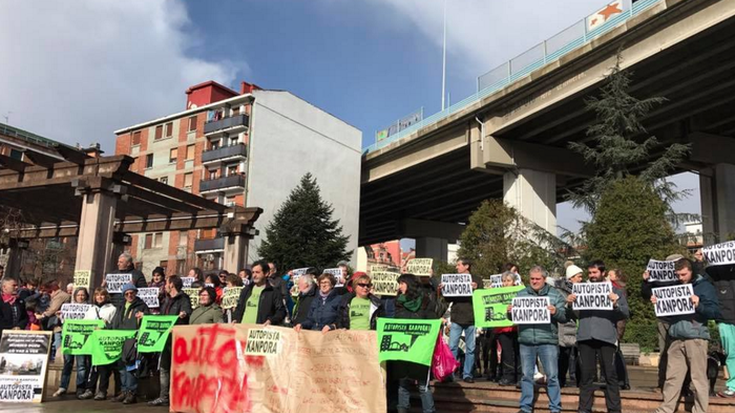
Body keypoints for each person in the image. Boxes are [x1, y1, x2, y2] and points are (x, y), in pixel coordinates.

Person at [653, 259, 720, 413]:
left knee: (698, 378)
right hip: (676, 337)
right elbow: (669, 313)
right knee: (672, 378)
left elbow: (715, 312)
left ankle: (700, 410)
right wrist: (660, 302)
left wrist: (699, 305)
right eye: (678, 275)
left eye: (683, 274)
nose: (681, 277)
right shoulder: (675, 286)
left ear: (691, 271)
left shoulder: (705, 287)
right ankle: (666, 409)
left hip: (695, 337)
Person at [567, 260, 629, 413]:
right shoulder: (580, 290)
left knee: (610, 374)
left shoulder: (616, 291)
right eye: (590, 273)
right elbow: (570, 316)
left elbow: (625, 313)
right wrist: (568, 304)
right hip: (585, 337)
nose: (592, 276)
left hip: (606, 337)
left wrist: (616, 304)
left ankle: (614, 409)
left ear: (602, 273)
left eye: (595, 272)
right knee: (586, 375)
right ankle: (584, 409)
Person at [511, 266, 567, 413]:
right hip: (526, 340)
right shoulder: (521, 294)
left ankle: (555, 407)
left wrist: (555, 312)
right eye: (532, 279)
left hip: (548, 341)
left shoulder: (555, 295)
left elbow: (564, 317)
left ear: (544, 279)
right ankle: (525, 407)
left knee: (552, 376)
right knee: (526, 376)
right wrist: (509, 313)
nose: (534, 281)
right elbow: (513, 318)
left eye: (538, 279)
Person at [392, 273, 440, 413]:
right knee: (403, 383)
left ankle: (429, 410)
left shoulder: (425, 301)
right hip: (403, 347)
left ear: (409, 284)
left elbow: (432, 320)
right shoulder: (398, 301)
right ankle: (403, 409)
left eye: (402, 283)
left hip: (421, 347)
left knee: (422, 385)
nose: (399, 286)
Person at [642, 253, 685, 391]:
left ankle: (684, 385)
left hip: (681, 320)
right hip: (664, 320)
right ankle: (663, 384)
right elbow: (645, 294)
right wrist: (646, 281)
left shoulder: (685, 278)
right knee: (665, 353)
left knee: (683, 352)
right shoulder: (657, 279)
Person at [149, 275, 192, 407]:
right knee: (164, 368)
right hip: (165, 340)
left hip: (176, 340)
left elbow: (186, 313)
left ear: (172, 285)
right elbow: (162, 318)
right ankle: (164, 396)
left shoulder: (183, 299)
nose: (164, 286)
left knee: (177, 369)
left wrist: (183, 315)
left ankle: (178, 396)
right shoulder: (166, 301)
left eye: (166, 283)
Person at [440, 258, 482, 382]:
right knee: (452, 346)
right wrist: (443, 290)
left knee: (471, 348)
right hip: (457, 317)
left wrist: (476, 288)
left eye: (458, 265)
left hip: (472, 318)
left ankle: (467, 374)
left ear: (466, 266)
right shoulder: (452, 280)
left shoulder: (477, 279)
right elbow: (448, 299)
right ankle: (450, 374)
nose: (456, 267)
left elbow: (482, 297)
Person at [110, 283, 150, 404]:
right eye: (127, 294)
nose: (129, 295)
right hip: (120, 339)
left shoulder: (141, 306)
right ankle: (124, 390)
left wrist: (144, 316)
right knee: (121, 367)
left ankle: (131, 392)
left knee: (131, 366)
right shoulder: (121, 306)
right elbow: (115, 322)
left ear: (135, 293)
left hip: (133, 340)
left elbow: (149, 319)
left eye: (131, 293)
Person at [55, 287, 92, 398]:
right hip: (69, 339)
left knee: (81, 365)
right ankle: (63, 386)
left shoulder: (90, 308)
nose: (80, 297)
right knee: (67, 363)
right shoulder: (68, 308)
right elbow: (64, 323)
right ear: (74, 296)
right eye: (78, 295)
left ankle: (80, 387)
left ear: (86, 296)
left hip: (82, 339)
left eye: (83, 295)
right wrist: (60, 317)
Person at [81, 288, 118, 401]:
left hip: (104, 342)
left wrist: (106, 325)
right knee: (92, 367)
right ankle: (89, 390)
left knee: (104, 368)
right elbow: (85, 323)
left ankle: (102, 391)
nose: (99, 297)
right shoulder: (91, 309)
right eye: (97, 295)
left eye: (102, 295)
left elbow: (114, 325)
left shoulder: (112, 309)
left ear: (106, 296)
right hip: (92, 341)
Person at [706, 260, 735, 398]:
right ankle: (733, 386)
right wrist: (700, 262)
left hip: (725, 317)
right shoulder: (714, 273)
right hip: (724, 319)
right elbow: (701, 277)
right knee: (731, 353)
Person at [233, 260, 286, 325]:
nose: (254, 275)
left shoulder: (273, 292)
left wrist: (271, 320)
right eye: (253, 272)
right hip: (243, 330)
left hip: (260, 331)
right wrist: (235, 319)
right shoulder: (246, 290)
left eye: (257, 272)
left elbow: (281, 311)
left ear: (266, 273)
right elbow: (239, 308)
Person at [556, 264, 582, 388]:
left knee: (578, 355)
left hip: (578, 326)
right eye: (579, 277)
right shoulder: (559, 290)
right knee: (564, 354)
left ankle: (578, 379)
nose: (581, 279)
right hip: (565, 325)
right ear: (571, 278)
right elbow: (558, 305)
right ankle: (561, 379)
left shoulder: (583, 289)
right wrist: (568, 303)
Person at [494, 272, 521, 386]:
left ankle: (520, 376)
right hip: (502, 328)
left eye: (508, 281)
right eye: (504, 281)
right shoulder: (496, 293)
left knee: (519, 352)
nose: (506, 283)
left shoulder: (520, 293)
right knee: (507, 353)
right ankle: (508, 376)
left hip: (517, 328)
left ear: (514, 282)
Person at [35, 280, 70, 363]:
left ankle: (59, 358)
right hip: (57, 321)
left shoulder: (60, 296)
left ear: (53, 290)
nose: (49, 295)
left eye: (49, 292)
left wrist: (42, 315)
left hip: (58, 322)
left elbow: (53, 308)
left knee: (58, 339)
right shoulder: (61, 295)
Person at [608, 267, 630, 390]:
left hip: (617, 325)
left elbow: (623, 311)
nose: (607, 276)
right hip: (614, 325)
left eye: (609, 274)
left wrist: (619, 331)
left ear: (615, 277)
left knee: (616, 353)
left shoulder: (619, 290)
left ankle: (622, 380)